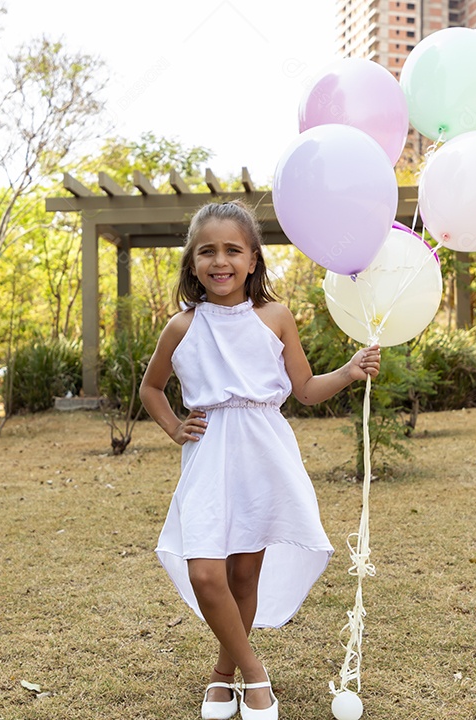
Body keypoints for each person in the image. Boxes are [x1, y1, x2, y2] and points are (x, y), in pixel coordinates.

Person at [140, 200, 381, 720]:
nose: (219, 261)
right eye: (207, 251)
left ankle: (222, 677)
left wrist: (349, 370)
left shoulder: (274, 317)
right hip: (209, 457)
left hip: (265, 453)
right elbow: (151, 389)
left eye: (232, 250)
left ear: (253, 260)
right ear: (192, 262)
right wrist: (174, 427)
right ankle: (256, 676)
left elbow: (307, 390)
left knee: (245, 575)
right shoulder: (181, 327)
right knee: (207, 573)